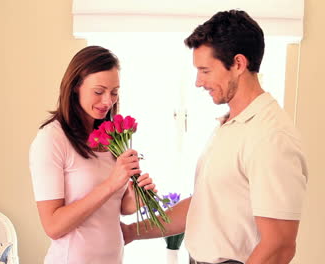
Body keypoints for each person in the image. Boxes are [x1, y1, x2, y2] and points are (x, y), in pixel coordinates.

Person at [121, 10, 308, 264]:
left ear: (239, 64)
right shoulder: (231, 124)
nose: (198, 82)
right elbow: (202, 206)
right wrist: (133, 231)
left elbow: (279, 245)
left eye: (205, 70)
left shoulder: (270, 136)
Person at [29, 45, 156, 264]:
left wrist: (136, 198)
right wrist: (111, 183)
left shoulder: (112, 138)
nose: (108, 101)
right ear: (76, 86)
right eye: (99, 91)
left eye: (114, 92)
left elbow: (117, 207)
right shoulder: (52, 139)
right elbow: (53, 226)